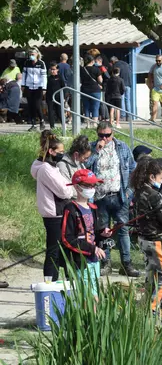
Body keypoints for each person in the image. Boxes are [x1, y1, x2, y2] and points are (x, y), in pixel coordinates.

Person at [86, 122, 139, 277]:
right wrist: (96, 151)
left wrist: (129, 192)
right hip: (99, 196)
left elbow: (132, 168)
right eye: (101, 135)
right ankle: (106, 262)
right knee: (103, 231)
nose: (105, 138)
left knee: (122, 229)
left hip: (119, 194)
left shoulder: (122, 147)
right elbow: (84, 165)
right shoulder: (92, 147)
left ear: (113, 133)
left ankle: (126, 263)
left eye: (108, 135)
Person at [130, 158, 162, 313]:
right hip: (156, 241)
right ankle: (152, 309)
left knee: (151, 276)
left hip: (143, 240)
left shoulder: (137, 193)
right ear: (151, 177)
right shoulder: (154, 195)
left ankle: (143, 308)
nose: (161, 181)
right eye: (160, 178)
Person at [31, 131, 73, 281]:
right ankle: (50, 283)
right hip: (54, 213)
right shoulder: (46, 169)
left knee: (61, 251)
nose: (62, 154)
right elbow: (64, 191)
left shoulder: (51, 167)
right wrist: (70, 188)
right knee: (53, 251)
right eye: (60, 152)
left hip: (58, 212)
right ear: (51, 151)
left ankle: (64, 280)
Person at [61, 169, 111, 297]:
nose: (92, 188)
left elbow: (93, 232)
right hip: (80, 261)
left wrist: (102, 233)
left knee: (94, 294)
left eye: (93, 185)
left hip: (94, 259)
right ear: (77, 187)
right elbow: (67, 238)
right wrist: (92, 248)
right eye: (88, 185)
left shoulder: (93, 208)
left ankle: (94, 317)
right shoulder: (70, 209)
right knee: (84, 295)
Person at [23, 48, 47, 132]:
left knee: (37, 105)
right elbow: (24, 74)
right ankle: (33, 124)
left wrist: (44, 87)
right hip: (29, 86)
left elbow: (44, 77)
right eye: (30, 54)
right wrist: (23, 85)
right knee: (31, 106)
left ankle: (42, 121)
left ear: (37, 54)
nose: (31, 56)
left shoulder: (41, 63)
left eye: (33, 54)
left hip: (39, 87)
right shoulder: (27, 63)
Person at [80, 54, 102, 127]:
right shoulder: (96, 69)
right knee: (95, 107)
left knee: (86, 107)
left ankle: (88, 124)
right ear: (92, 61)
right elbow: (100, 80)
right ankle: (94, 124)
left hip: (85, 90)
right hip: (95, 90)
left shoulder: (82, 69)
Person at [148, 55, 162, 123]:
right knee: (155, 103)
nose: (158, 62)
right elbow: (150, 74)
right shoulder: (154, 66)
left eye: (159, 61)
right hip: (156, 88)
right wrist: (151, 82)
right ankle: (153, 118)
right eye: (156, 60)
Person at [45, 62, 65, 129]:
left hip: (58, 98)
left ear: (57, 70)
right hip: (50, 97)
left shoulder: (60, 78)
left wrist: (64, 97)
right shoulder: (49, 78)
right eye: (51, 69)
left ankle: (63, 125)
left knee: (59, 112)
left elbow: (63, 87)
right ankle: (52, 126)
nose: (52, 71)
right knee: (50, 112)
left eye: (54, 69)